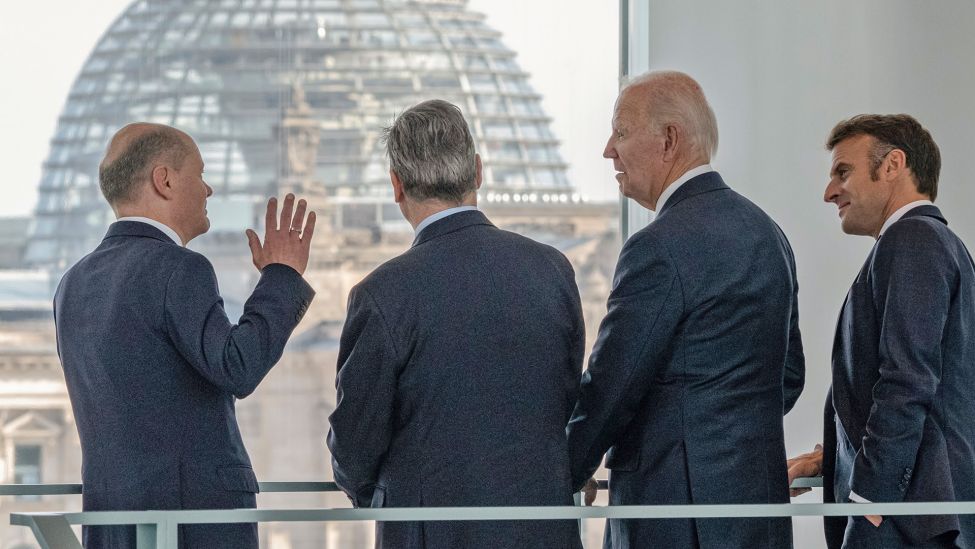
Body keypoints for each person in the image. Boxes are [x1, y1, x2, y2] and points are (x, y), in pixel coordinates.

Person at [327, 99, 585, 548]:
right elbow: (566, 400)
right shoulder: (552, 270)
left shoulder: (383, 293)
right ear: (478, 172)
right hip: (544, 530)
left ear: (396, 186)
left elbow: (355, 442)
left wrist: (382, 494)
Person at [566, 71, 804, 549]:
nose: (608, 149)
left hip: (673, 517)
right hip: (757, 514)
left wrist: (563, 471)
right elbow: (788, 375)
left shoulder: (657, 247)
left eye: (622, 132)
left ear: (669, 139)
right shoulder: (768, 233)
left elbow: (614, 386)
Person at [54, 122, 317, 548]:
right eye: (200, 174)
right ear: (165, 180)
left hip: (111, 524)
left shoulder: (74, 282)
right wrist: (281, 276)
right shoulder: (179, 268)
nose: (209, 189)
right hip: (191, 524)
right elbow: (238, 367)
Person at [788, 114, 975, 548]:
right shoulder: (932, 242)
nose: (829, 191)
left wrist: (870, 502)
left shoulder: (912, 239)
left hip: (906, 522)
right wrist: (827, 459)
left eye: (842, 171)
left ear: (893, 165)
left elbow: (907, 383)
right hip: (916, 517)